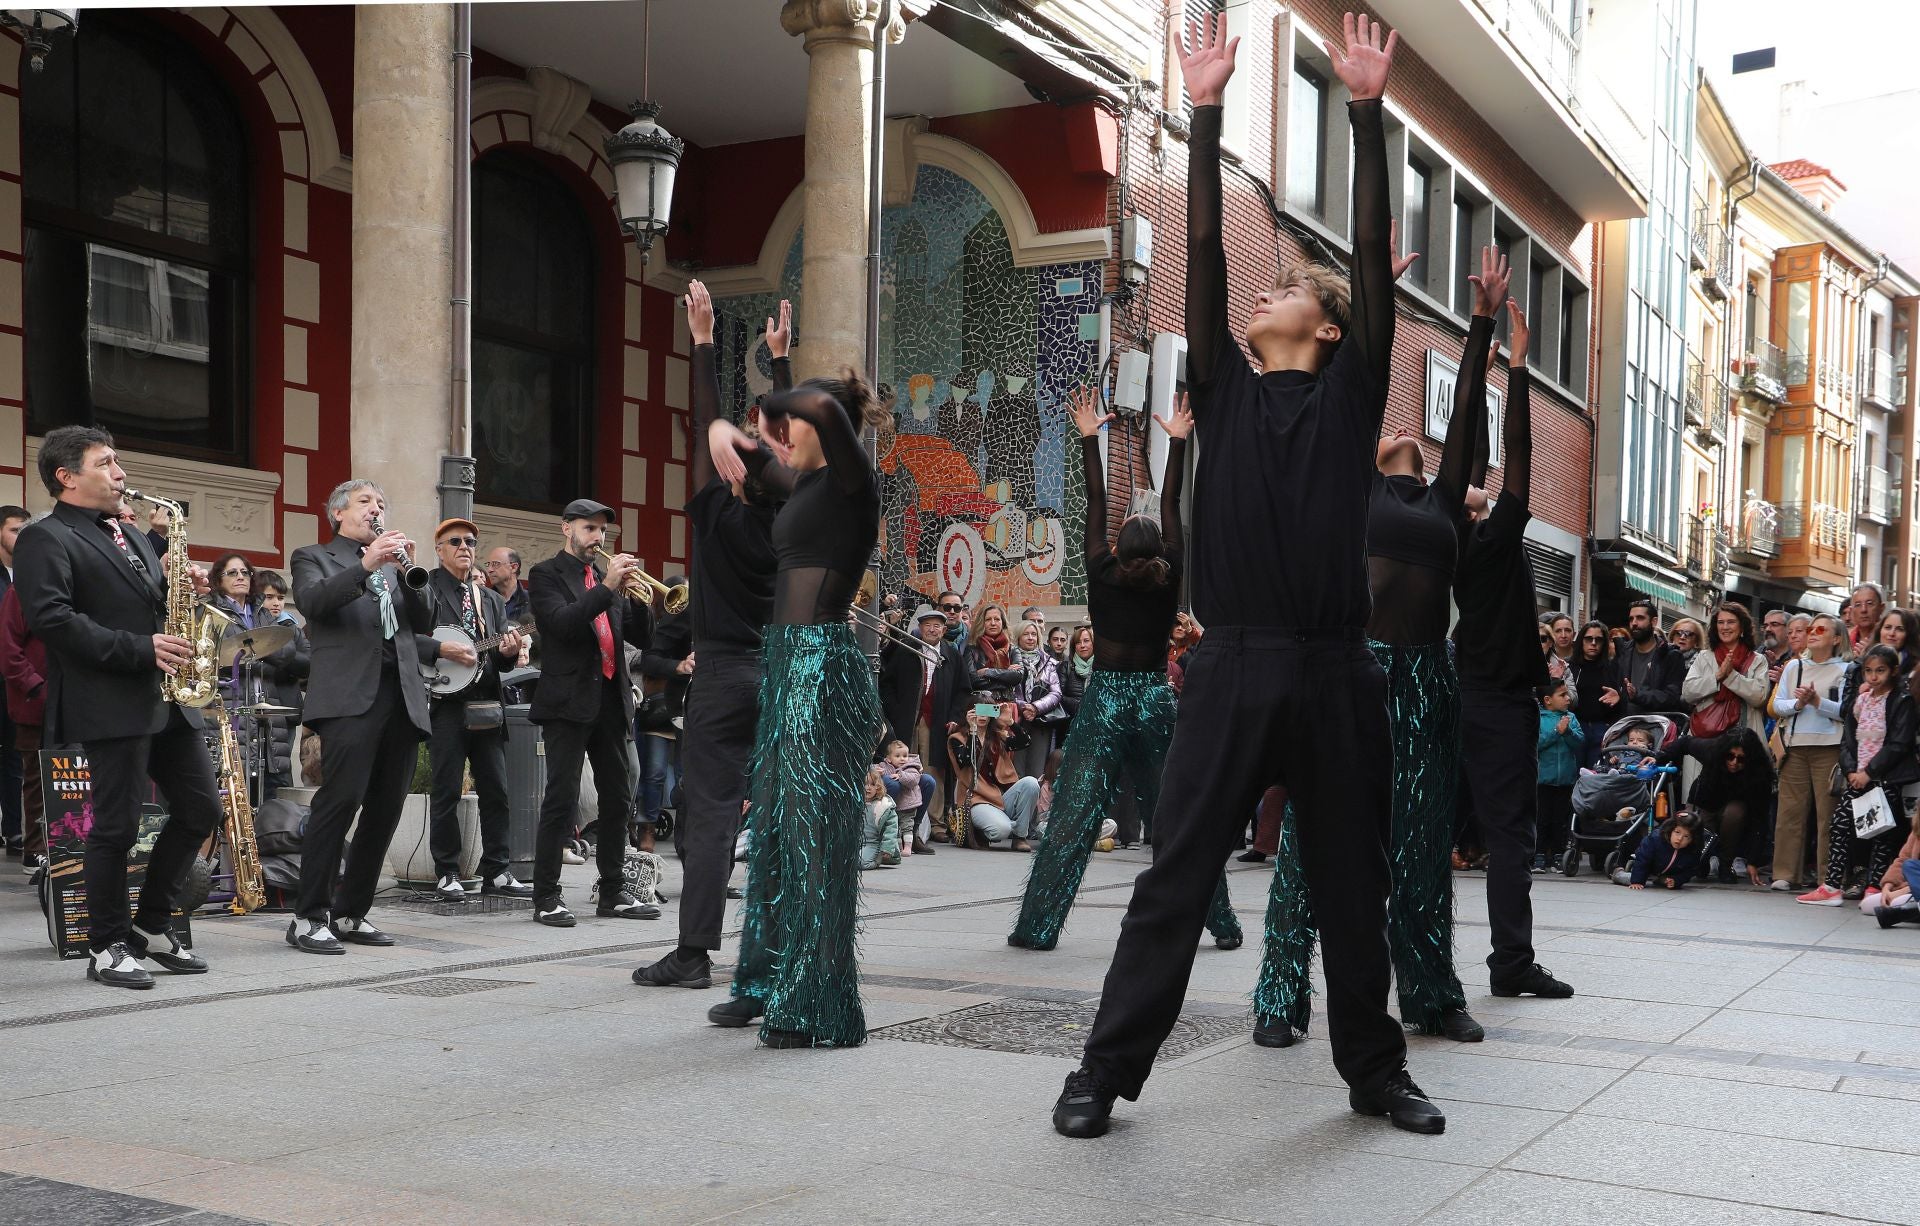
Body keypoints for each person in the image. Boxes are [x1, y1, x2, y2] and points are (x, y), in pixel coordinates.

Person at [1055, 12, 1442, 1140]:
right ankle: (1101, 1073)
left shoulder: (1348, 389)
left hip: (1333, 670)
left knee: (1352, 885)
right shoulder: (1219, 381)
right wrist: (1206, 106)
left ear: (1326, 330)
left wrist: (1367, 115)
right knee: (1173, 876)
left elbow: (1370, 266)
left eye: (1290, 293)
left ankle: (1375, 1071)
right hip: (1228, 666)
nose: (1262, 293)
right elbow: (1210, 255)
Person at [1259, 254, 1503, 1049]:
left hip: (1428, 680)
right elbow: (1357, 374)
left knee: (1425, 842)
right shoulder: (1350, 482)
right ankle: (1280, 996)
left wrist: (1482, 326)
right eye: (1385, 432)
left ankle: (1432, 995)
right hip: (1355, 672)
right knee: (1311, 843)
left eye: (1411, 436)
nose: (1402, 433)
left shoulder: (1439, 502)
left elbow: (1464, 413)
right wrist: (1375, 296)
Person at [1009, 389, 1240, 953]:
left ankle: (1038, 927)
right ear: (1160, 547)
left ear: (1117, 547)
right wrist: (1178, 442)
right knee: (1177, 815)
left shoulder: (1100, 570)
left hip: (1108, 695)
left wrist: (1091, 436)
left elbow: (1093, 500)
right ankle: (1225, 924)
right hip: (1153, 697)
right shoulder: (1170, 576)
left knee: (1074, 813)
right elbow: (1174, 511)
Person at [703, 364, 885, 1049]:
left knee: (815, 846)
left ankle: (818, 1004)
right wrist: (720, 398)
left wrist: (769, 400)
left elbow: (813, 403)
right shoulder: (805, 484)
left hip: (821, 673)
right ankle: (763, 980)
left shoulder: (852, 480)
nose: (780, 432)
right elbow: (744, 459)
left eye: (792, 425)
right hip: (784, 671)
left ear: (825, 427)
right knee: (776, 834)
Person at [15, 428, 221, 986]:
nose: (120, 473)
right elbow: (52, 620)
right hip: (109, 698)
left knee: (202, 810)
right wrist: (140, 648)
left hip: (167, 699)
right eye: (106, 463)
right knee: (116, 825)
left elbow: (142, 604)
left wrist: (183, 585)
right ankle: (105, 945)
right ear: (67, 476)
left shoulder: (126, 533)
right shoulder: (46, 538)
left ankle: (150, 927)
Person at [634, 285, 793, 990]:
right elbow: (789, 449)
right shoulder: (791, 519)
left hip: (726, 678)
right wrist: (781, 369)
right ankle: (784, 953)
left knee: (709, 821)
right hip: (784, 675)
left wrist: (702, 342)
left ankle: (694, 955)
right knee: (787, 820)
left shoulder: (721, 520)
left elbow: (707, 426)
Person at [1442, 295, 1572, 1002]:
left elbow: (1480, 450)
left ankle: (1431, 962)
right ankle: (1511, 963)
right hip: (1494, 706)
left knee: (1436, 835)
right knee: (1510, 839)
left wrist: (1485, 363)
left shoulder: (1451, 537)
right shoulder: (1486, 541)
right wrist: (1516, 368)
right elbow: (1512, 456)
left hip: (1456, 691)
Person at [285, 481, 435, 952]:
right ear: (337, 512)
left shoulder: (394, 565)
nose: (377, 509)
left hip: (401, 696)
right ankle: (309, 916)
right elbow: (313, 603)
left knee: (385, 809)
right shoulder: (313, 556)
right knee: (339, 803)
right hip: (350, 697)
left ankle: (352, 912)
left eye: (382, 504)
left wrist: (409, 569)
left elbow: (423, 619)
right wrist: (368, 564)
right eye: (366, 502)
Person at [526, 500, 658, 928]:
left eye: (602, 531)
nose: (598, 538)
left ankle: (613, 890)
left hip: (609, 700)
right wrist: (607, 589)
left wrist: (637, 598)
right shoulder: (546, 574)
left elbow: (639, 637)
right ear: (567, 529)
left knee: (619, 798)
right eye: (589, 529)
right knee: (561, 800)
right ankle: (546, 895)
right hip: (567, 701)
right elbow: (562, 625)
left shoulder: (604, 580)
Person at [418, 518, 530, 903]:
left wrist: (509, 652)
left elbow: (498, 661)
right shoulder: (426, 588)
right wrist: (441, 650)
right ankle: (447, 872)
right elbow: (405, 638)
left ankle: (497, 870)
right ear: (440, 548)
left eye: (470, 541)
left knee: (496, 790)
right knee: (446, 789)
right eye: (456, 541)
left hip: (485, 704)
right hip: (445, 706)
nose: (465, 546)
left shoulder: (492, 600)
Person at [1798, 644, 1914, 905]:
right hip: (1857, 776)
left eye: (1880, 671)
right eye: (1869, 671)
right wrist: (1852, 769)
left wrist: (1870, 772)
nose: (1874, 677)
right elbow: (1849, 738)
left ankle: (1874, 886)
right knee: (1840, 825)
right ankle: (1831, 885)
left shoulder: (1901, 700)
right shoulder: (1861, 700)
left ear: (1893, 671)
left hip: (1885, 777)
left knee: (1883, 832)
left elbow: (1899, 743)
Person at [1769, 613, 1849, 892]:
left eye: (1821, 629)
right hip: (1795, 745)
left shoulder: (1846, 669)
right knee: (1789, 813)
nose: (1813, 633)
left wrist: (1817, 701)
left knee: (1828, 816)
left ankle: (1829, 876)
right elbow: (1777, 705)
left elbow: (1846, 713)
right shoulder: (1794, 667)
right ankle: (1785, 873)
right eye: (1811, 628)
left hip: (1830, 747)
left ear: (1836, 638)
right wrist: (1799, 704)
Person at [877, 609, 964, 851]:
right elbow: (886, 682)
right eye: (928, 625)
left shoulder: (951, 654)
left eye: (937, 626)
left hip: (936, 721)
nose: (932, 629)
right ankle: (900, 827)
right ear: (920, 627)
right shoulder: (907, 648)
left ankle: (934, 825)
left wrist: (955, 717)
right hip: (908, 719)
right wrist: (895, 710)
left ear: (944, 630)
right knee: (901, 770)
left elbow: (962, 690)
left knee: (932, 771)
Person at [1657, 728, 1774, 885]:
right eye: (1730, 756)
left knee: (1734, 813)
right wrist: (1659, 758)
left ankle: (1725, 864)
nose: (1734, 762)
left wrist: (1753, 862)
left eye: (1741, 759)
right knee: (1698, 830)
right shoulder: (1712, 750)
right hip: (1705, 799)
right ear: (1723, 752)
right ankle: (1699, 861)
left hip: (1736, 808)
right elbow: (1684, 743)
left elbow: (1761, 819)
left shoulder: (1760, 775)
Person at [634, 596, 690, 854]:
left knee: (685, 776)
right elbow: (649, 660)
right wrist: (679, 665)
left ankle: (685, 835)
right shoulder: (664, 625)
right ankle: (647, 827)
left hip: (690, 709)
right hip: (662, 707)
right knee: (655, 773)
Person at [250, 569, 309, 794]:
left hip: (284, 710)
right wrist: (284, 663)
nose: (276, 603)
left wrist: (272, 656)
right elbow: (245, 662)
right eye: (269, 597)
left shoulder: (291, 627)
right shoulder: (249, 624)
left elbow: (307, 663)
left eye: (281, 598)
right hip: (254, 709)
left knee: (280, 772)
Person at [1600, 600, 1687, 718]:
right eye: (1631, 619)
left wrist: (1638, 696)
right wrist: (1618, 698)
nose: (1634, 623)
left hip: (1656, 725)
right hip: (1625, 724)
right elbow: (1615, 691)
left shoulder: (1670, 655)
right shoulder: (1622, 653)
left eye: (1640, 618)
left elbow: (1671, 697)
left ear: (1654, 621)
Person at [0, 504, 25, 863]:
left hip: (17, 680)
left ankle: (15, 830)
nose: (22, 537)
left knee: (14, 757)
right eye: (15, 530)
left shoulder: (31, 571)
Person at [1535, 679, 1582, 873]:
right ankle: (1537, 854)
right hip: (1542, 780)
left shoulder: (1571, 717)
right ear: (1548, 700)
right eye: (1562, 695)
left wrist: (1568, 731)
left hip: (1565, 780)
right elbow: (1536, 743)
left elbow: (1579, 742)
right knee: (1541, 818)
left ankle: (1558, 854)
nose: (1568, 698)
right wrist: (1556, 732)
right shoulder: (1538, 718)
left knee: (1560, 818)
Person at [1009, 618, 1062, 780]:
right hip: (1016, 721)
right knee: (1016, 769)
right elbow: (1007, 691)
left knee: (1037, 770)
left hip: (1040, 722)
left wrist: (1035, 707)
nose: (1031, 638)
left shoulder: (1049, 663)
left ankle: (1035, 805)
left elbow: (1056, 693)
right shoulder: (1010, 660)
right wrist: (1025, 707)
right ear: (1018, 637)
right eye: (1026, 634)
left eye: (1034, 634)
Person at [1613, 814, 1701, 889]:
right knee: (1632, 878)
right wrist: (1637, 881)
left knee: (1667, 880)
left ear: (1692, 840)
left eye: (1686, 836)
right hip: (1648, 867)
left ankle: (1660, 880)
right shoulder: (1655, 839)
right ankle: (1618, 874)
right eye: (1677, 832)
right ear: (1670, 830)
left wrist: (1677, 880)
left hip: (1669, 873)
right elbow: (1643, 859)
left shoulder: (1692, 851)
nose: (1680, 838)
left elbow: (1690, 870)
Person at [1571, 619, 1614, 767]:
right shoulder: (1570, 667)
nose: (1593, 643)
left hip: (1602, 727)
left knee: (1596, 774)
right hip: (1576, 725)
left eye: (1599, 639)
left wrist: (1619, 698)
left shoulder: (1612, 668)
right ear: (1581, 640)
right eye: (1589, 638)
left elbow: (1621, 701)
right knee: (1573, 774)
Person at [965, 603, 1021, 702]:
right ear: (982, 623)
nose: (993, 623)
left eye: (997, 619)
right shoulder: (972, 649)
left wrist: (987, 672)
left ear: (1003, 622)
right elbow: (973, 680)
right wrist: (1006, 674)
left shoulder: (1012, 649)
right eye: (988, 619)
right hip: (982, 705)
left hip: (1008, 704)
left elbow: (1017, 676)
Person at [860, 766, 901, 870]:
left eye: (872, 784)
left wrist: (887, 848)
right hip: (857, 841)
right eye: (865, 784)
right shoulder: (856, 803)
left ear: (878, 787)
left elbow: (891, 829)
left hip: (874, 843)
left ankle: (877, 860)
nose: (868, 787)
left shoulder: (884, 806)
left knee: (862, 863)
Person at [482, 546, 530, 629]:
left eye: (495, 564)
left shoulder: (532, 600)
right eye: (488, 564)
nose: (489, 570)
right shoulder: (483, 600)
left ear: (514, 567)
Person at [1849, 583, 1887, 656]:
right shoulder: (1845, 640)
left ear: (1881, 608)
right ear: (1851, 611)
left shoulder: (1889, 637)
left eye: (1869, 603)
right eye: (1858, 605)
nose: (1863, 610)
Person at [1542, 614, 1576, 681]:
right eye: (1558, 631)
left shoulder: (1583, 657)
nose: (1563, 635)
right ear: (1551, 634)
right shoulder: (1545, 659)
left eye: (1567, 630)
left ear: (1574, 634)